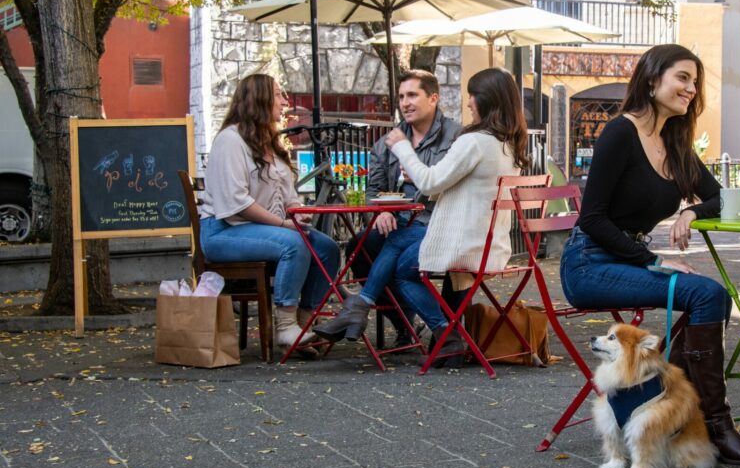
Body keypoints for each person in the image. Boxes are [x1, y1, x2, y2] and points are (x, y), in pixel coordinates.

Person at [559, 44, 740, 465]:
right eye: (682, 78)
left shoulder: (674, 143)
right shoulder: (621, 132)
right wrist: (652, 260)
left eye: (695, 82)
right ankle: (714, 423)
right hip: (589, 262)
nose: (691, 88)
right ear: (652, 79)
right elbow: (592, 219)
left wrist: (690, 211)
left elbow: (720, 198)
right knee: (705, 294)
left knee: (710, 296)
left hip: (623, 258)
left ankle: (670, 408)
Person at [325, 67, 526, 368]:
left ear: (486, 100)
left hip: (462, 242)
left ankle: (444, 332)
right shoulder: (506, 143)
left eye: (471, 96)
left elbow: (430, 183)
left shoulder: (472, 140)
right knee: (395, 241)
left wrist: (405, 151)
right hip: (488, 242)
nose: (468, 103)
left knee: (404, 269)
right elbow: (454, 187)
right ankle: (364, 306)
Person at [198, 74, 341, 351]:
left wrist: (297, 212)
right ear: (260, 100)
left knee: (327, 248)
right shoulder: (230, 141)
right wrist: (282, 224)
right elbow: (236, 202)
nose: (284, 101)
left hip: (262, 230)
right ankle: (286, 327)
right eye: (278, 94)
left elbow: (288, 196)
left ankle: (305, 324)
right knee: (294, 244)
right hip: (223, 231)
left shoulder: (270, 143)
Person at [316, 69, 459, 344]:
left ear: (433, 98)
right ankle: (404, 322)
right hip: (397, 222)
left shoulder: (455, 137)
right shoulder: (387, 142)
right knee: (360, 249)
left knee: (396, 251)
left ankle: (363, 309)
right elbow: (373, 189)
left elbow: (452, 185)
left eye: (413, 95)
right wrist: (381, 210)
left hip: (436, 223)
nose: (405, 102)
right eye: (402, 96)